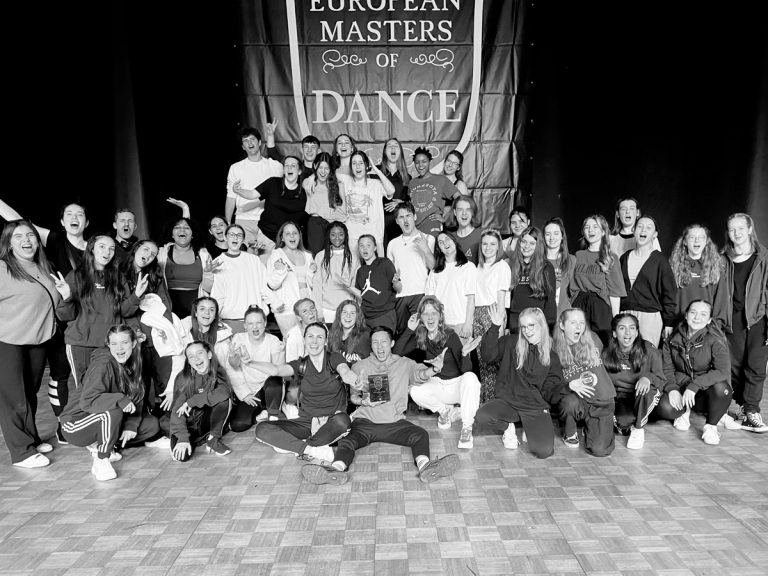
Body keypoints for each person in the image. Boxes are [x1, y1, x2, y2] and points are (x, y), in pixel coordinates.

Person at [301, 326, 460, 485]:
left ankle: (425, 467)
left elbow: (421, 374)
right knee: (346, 441)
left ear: (392, 343)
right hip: (365, 423)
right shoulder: (359, 366)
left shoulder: (404, 363)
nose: (379, 346)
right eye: (375, 342)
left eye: (383, 342)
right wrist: (363, 401)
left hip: (394, 423)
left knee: (421, 434)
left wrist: (434, 369)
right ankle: (336, 469)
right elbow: (354, 397)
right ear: (371, 345)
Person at [0, 200, 88, 438]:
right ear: (62, 221)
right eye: (69, 214)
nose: (74, 218)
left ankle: (40, 437)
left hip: (73, 321)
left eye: (79, 214)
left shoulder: (96, 247)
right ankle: (60, 429)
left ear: (87, 221)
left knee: (33, 388)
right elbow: (18, 222)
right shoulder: (56, 241)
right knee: (56, 377)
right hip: (46, 327)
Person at [60, 325, 161, 481]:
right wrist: (120, 399)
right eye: (114, 344)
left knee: (152, 425)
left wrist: (131, 425)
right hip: (75, 423)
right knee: (113, 410)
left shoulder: (135, 361)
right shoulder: (103, 364)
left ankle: (106, 441)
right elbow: (88, 401)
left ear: (134, 343)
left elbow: (138, 395)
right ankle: (101, 459)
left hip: (103, 416)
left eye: (124, 343)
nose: (119, 348)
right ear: (108, 345)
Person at [53, 234, 146, 400]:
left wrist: (136, 296)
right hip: (81, 345)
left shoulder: (118, 277)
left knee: (112, 389)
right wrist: (66, 297)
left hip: (110, 345)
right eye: (102, 246)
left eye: (111, 248)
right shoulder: (76, 276)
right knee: (87, 392)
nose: (107, 252)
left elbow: (124, 312)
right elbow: (65, 316)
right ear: (91, 249)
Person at [0, 220, 61, 468]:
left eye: (30, 235)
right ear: (8, 243)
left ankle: (31, 439)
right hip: (8, 341)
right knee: (13, 398)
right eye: (18, 236)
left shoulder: (43, 267)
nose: (26, 240)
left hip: (38, 339)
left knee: (28, 394)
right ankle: (21, 452)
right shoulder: (3, 268)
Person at [252, 322, 358, 462]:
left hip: (332, 421)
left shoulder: (334, 358)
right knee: (262, 428)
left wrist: (352, 378)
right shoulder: (300, 364)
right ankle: (312, 450)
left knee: (342, 422)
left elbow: (344, 370)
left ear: (326, 341)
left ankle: (297, 446)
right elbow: (276, 370)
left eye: (319, 337)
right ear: (304, 340)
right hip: (306, 422)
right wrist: (249, 362)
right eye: (310, 336)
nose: (314, 341)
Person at [473, 306, 567, 458]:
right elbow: (488, 356)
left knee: (544, 451)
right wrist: (495, 327)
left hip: (534, 407)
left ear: (541, 325)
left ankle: (529, 427)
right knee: (481, 416)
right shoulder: (511, 342)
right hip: (508, 402)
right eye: (523, 327)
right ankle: (508, 427)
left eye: (531, 325)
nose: (527, 331)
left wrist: (567, 387)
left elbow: (551, 390)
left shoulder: (551, 356)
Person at [394, 296, 482, 449]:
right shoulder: (420, 336)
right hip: (437, 385)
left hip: (455, 386)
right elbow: (396, 354)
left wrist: (464, 354)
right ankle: (445, 411)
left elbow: (465, 370)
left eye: (434, 313)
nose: (430, 317)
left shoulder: (450, 335)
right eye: (425, 313)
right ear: (421, 318)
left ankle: (467, 428)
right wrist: (409, 330)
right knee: (414, 390)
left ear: (440, 316)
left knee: (471, 378)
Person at [658, 300, 737, 444]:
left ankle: (711, 426)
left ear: (709, 320)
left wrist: (695, 385)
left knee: (722, 389)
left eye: (703, 314)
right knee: (665, 408)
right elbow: (667, 369)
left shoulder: (715, 340)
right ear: (686, 315)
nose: (697, 317)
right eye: (693, 312)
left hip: (704, 389)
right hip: (682, 385)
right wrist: (672, 389)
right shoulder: (672, 339)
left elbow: (722, 371)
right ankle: (685, 410)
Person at [718, 213, 768, 432]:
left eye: (740, 228)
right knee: (735, 367)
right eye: (732, 229)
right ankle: (741, 407)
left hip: (758, 317)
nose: (736, 233)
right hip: (731, 320)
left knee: (756, 366)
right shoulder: (722, 259)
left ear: (749, 229)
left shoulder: (763, 257)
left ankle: (752, 411)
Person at [554, 308, 616, 456]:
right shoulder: (553, 348)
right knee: (569, 402)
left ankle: (593, 427)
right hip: (578, 400)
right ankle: (570, 432)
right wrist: (569, 385)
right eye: (573, 323)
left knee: (599, 450)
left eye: (581, 323)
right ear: (562, 325)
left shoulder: (593, 338)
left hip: (601, 401)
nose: (578, 327)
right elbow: (552, 383)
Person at [602, 313, 664, 449]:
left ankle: (638, 429)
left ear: (636, 333)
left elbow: (661, 379)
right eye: (622, 328)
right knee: (624, 422)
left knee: (645, 389)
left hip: (642, 394)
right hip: (620, 397)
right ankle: (629, 422)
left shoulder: (649, 351)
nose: (627, 332)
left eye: (632, 328)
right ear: (614, 333)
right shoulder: (607, 353)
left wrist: (647, 377)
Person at [232, 155, 308, 258]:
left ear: (299, 171)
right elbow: (252, 194)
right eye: (286, 165)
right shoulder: (273, 183)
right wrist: (238, 190)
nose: (289, 168)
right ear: (283, 170)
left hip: (288, 240)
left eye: (293, 165)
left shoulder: (303, 193)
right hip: (266, 235)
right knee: (264, 266)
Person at [168, 341, 233, 461]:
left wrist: (191, 402)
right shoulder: (183, 378)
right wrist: (182, 438)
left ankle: (213, 439)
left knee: (225, 401)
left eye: (200, 353)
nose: (196, 359)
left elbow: (224, 393)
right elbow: (176, 410)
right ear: (188, 361)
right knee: (182, 457)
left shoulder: (218, 372)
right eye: (191, 356)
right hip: (186, 425)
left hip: (204, 422)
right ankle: (188, 439)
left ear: (209, 354)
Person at [618, 216, 677, 346]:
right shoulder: (624, 258)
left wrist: (669, 322)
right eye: (640, 226)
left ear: (655, 235)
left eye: (648, 228)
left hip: (649, 317)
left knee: (647, 355)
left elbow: (669, 294)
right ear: (634, 230)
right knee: (624, 355)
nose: (643, 230)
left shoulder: (660, 261)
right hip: (625, 314)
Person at [569, 215, 626, 346]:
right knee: (578, 345)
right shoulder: (578, 255)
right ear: (583, 232)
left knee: (601, 345)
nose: (591, 230)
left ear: (603, 231)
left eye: (595, 227)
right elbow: (572, 286)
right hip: (579, 305)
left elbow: (615, 292)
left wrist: (615, 321)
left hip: (600, 308)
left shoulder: (610, 258)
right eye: (587, 227)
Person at [225, 306, 284, 429]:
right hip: (251, 391)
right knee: (237, 425)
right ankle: (261, 413)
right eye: (250, 323)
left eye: (259, 322)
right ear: (245, 326)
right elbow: (233, 367)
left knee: (275, 381)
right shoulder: (238, 338)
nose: (255, 327)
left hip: (269, 387)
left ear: (265, 323)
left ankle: (273, 417)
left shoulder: (273, 340)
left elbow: (278, 370)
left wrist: (282, 352)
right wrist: (244, 393)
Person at [225, 123, 283, 248]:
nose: (249, 143)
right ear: (243, 147)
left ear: (260, 142)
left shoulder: (274, 166)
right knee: (246, 256)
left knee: (267, 256)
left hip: (268, 221)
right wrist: (228, 222)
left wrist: (271, 135)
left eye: (252, 139)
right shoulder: (236, 168)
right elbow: (231, 197)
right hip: (244, 219)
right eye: (245, 141)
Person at [208, 224, 269, 334]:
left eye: (239, 235)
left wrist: (275, 303)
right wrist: (215, 319)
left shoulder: (254, 260)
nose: (235, 238)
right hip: (231, 321)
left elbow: (264, 287)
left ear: (243, 239)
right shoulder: (218, 262)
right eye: (232, 234)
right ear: (225, 237)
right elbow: (217, 295)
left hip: (256, 319)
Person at [473, 230, 512, 402]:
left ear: (498, 247)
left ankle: (495, 401)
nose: (488, 247)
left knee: (493, 360)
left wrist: (500, 325)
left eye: (492, 244)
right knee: (482, 360)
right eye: (485, 243)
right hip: (477, 313)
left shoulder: (501, 266)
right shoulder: (478, 267)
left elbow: (501, 298)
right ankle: (485, 400)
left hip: (492, 313)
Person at [386, 203, 435, 335]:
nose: (405, 220)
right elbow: (392, 276)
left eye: (408, 215)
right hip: (400, 296)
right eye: (401, 217)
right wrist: (395, 282)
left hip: (421, 293)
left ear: (415, 216)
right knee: (403, 335)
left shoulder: (428, 238)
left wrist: (426, 249)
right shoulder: (392, 244)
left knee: (422, 335)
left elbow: (433, 268)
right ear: (397, 221)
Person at [264, 221, 315, 336]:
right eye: (287, 233)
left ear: (299, 236)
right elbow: (272, 284)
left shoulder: (308, 256)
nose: (292, 236)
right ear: (282, 238)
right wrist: (280, 271)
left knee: (309, 340)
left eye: (294, 233)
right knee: (291, 341)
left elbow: (313, 285)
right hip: (287, 309)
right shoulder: (277, 255)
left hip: (307, 307)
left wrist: (311, 273)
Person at [426, 231, 477, 342]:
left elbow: (471, 299)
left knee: (461, 353)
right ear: (439, 249)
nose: (445, 243)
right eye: (441, 242)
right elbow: (429, 300)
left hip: (461, 324)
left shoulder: (468, 267)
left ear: (454, 241)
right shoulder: (435, 271)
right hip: (440, 325)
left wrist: (468, 323)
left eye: (447, 239)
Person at [669, 224, 724, 324]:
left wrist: (717, 325)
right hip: (679, 323)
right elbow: (668, 298)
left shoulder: (715, 267)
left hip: (706, 325)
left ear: (706, 241)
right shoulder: (674, 266)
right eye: (692, 237)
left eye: (701, 237)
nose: (697, 241)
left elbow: (720, 301)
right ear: (685, 242)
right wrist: (669, 323)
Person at [158, 215, 213, 315]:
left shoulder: (204, 255)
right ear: (172, 234)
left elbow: (209, 289)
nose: (182, 230)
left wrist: (208, 273)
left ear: (192, 234)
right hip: (168, 309)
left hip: (196, 310)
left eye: (187, 228)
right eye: (177, 227)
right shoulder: (161, 254)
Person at [344, 150, 395, 256]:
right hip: (353, 238)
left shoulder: (376, 184)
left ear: (366, 166)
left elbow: (391, 191)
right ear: (351, 167)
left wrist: (377, 171)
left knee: (377, 266)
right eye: (354, 163)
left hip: (374, 238)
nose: (358, 166)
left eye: (361, 163)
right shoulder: (345, 183)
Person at [507, 226, 557, 333]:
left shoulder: (546, 268)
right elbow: (507, 298)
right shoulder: (512, 265)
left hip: (536, 321)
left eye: (532, 243)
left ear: (538, 245)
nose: (526, 246)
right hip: (515, 322)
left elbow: (550, 301)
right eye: (524, 242)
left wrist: (549, 328)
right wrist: (506, 325)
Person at [312, 221, 358, 324]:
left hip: (347, 309)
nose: (337, 238)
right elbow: (317, 285)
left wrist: (356, 308)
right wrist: (319, 311)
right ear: (328, 236)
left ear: (345, 236)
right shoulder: (320, 256)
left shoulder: (354, 256)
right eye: (333, 234)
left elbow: (356, 284)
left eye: (341, 234)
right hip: (326, 309)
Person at [282, 298, 321, 418]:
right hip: (300, 376)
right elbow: (291, 367)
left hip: (320, 374)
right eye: (305, 311)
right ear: (299, 317)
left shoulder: (323, 329)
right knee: (294, 395)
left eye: (312, 308)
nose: (311, 312)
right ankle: (287, 405)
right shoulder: (294, 335)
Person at [408, 147, 460, 237]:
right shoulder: (412, 183)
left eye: (424, 161)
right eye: (417, 162)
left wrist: (445, 218)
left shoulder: (441, 179)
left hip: (432, 225)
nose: (420, 165)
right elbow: (411, 205)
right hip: (414, 228)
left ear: (429, 162)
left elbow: (460, 198)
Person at [303, 152, 347, 255]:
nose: (323, 171)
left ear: (331, 169)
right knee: (317, 255)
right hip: (316, 225)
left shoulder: (338, 185)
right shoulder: (309, 183)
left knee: (333, 256)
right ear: (315, 166)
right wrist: (312, 176)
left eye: (326, 168)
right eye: (320, 167)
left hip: (333, 225)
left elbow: (343, 212)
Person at [352, 235, 398, 331]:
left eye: (368, 245)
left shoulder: (385, 263)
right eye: (361, 245)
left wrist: (396, 282)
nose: (365, 249)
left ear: (375, 248)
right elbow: (362, 295)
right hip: (365, 317)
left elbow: (398, 288)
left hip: (384, 315)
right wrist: (347, 286)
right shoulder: (360, 271)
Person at [378, 138, 411, 249]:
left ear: (400, 151)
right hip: (379, 222)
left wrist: (400, 203)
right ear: (384, 151)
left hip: (398, 224)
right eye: (389, 146)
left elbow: (410, 202)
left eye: (396, 146)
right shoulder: (376, 172)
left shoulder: (407, 177)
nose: (393, 148)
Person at [543, 217, 575, 317]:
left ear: (562, 236)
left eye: (556, 233)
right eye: (548, 234)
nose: (551, 237)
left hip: (565, 315)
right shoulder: (538, 261)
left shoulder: (572, 260)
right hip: (542, 316)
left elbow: (575, 292)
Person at [328, 300, 371, 364]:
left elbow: (367, 364)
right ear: (339, 315)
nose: (348, 316)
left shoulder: (364, 336)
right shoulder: (333, 334)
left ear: (357, 316)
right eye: (345, 312)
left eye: (352, 313)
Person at [449, 196, 482, 264]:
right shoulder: (449, 238)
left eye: (468, 209)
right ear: (455, 212)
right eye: (460, 209)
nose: (464, 213)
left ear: (472, 212)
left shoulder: (482, 236)